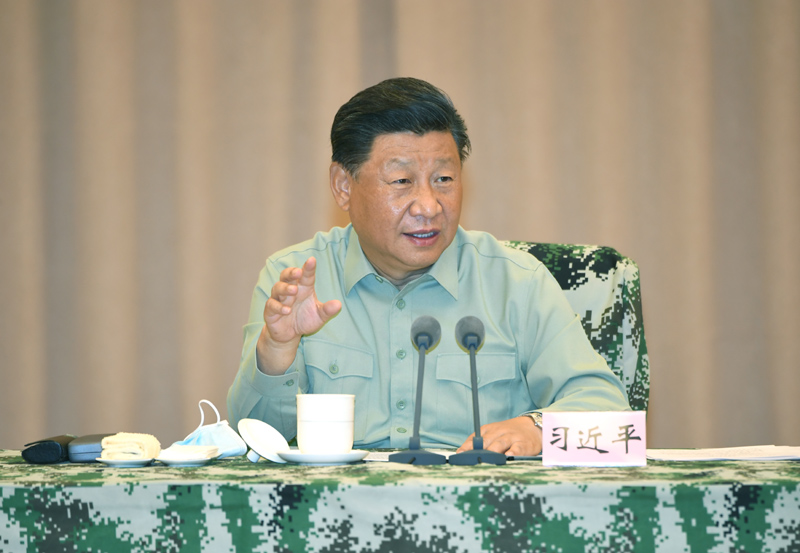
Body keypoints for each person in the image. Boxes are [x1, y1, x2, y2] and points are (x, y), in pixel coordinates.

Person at [227, 77, 630, 457]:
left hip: (477, 499)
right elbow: (252, 439)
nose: (429, 206)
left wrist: (536, 428)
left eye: (444, 179)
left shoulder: (517, 283)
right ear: (343, 186)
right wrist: (277, 348)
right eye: (402, 181)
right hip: (336, 502)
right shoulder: (295, 281)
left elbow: (610, 413)